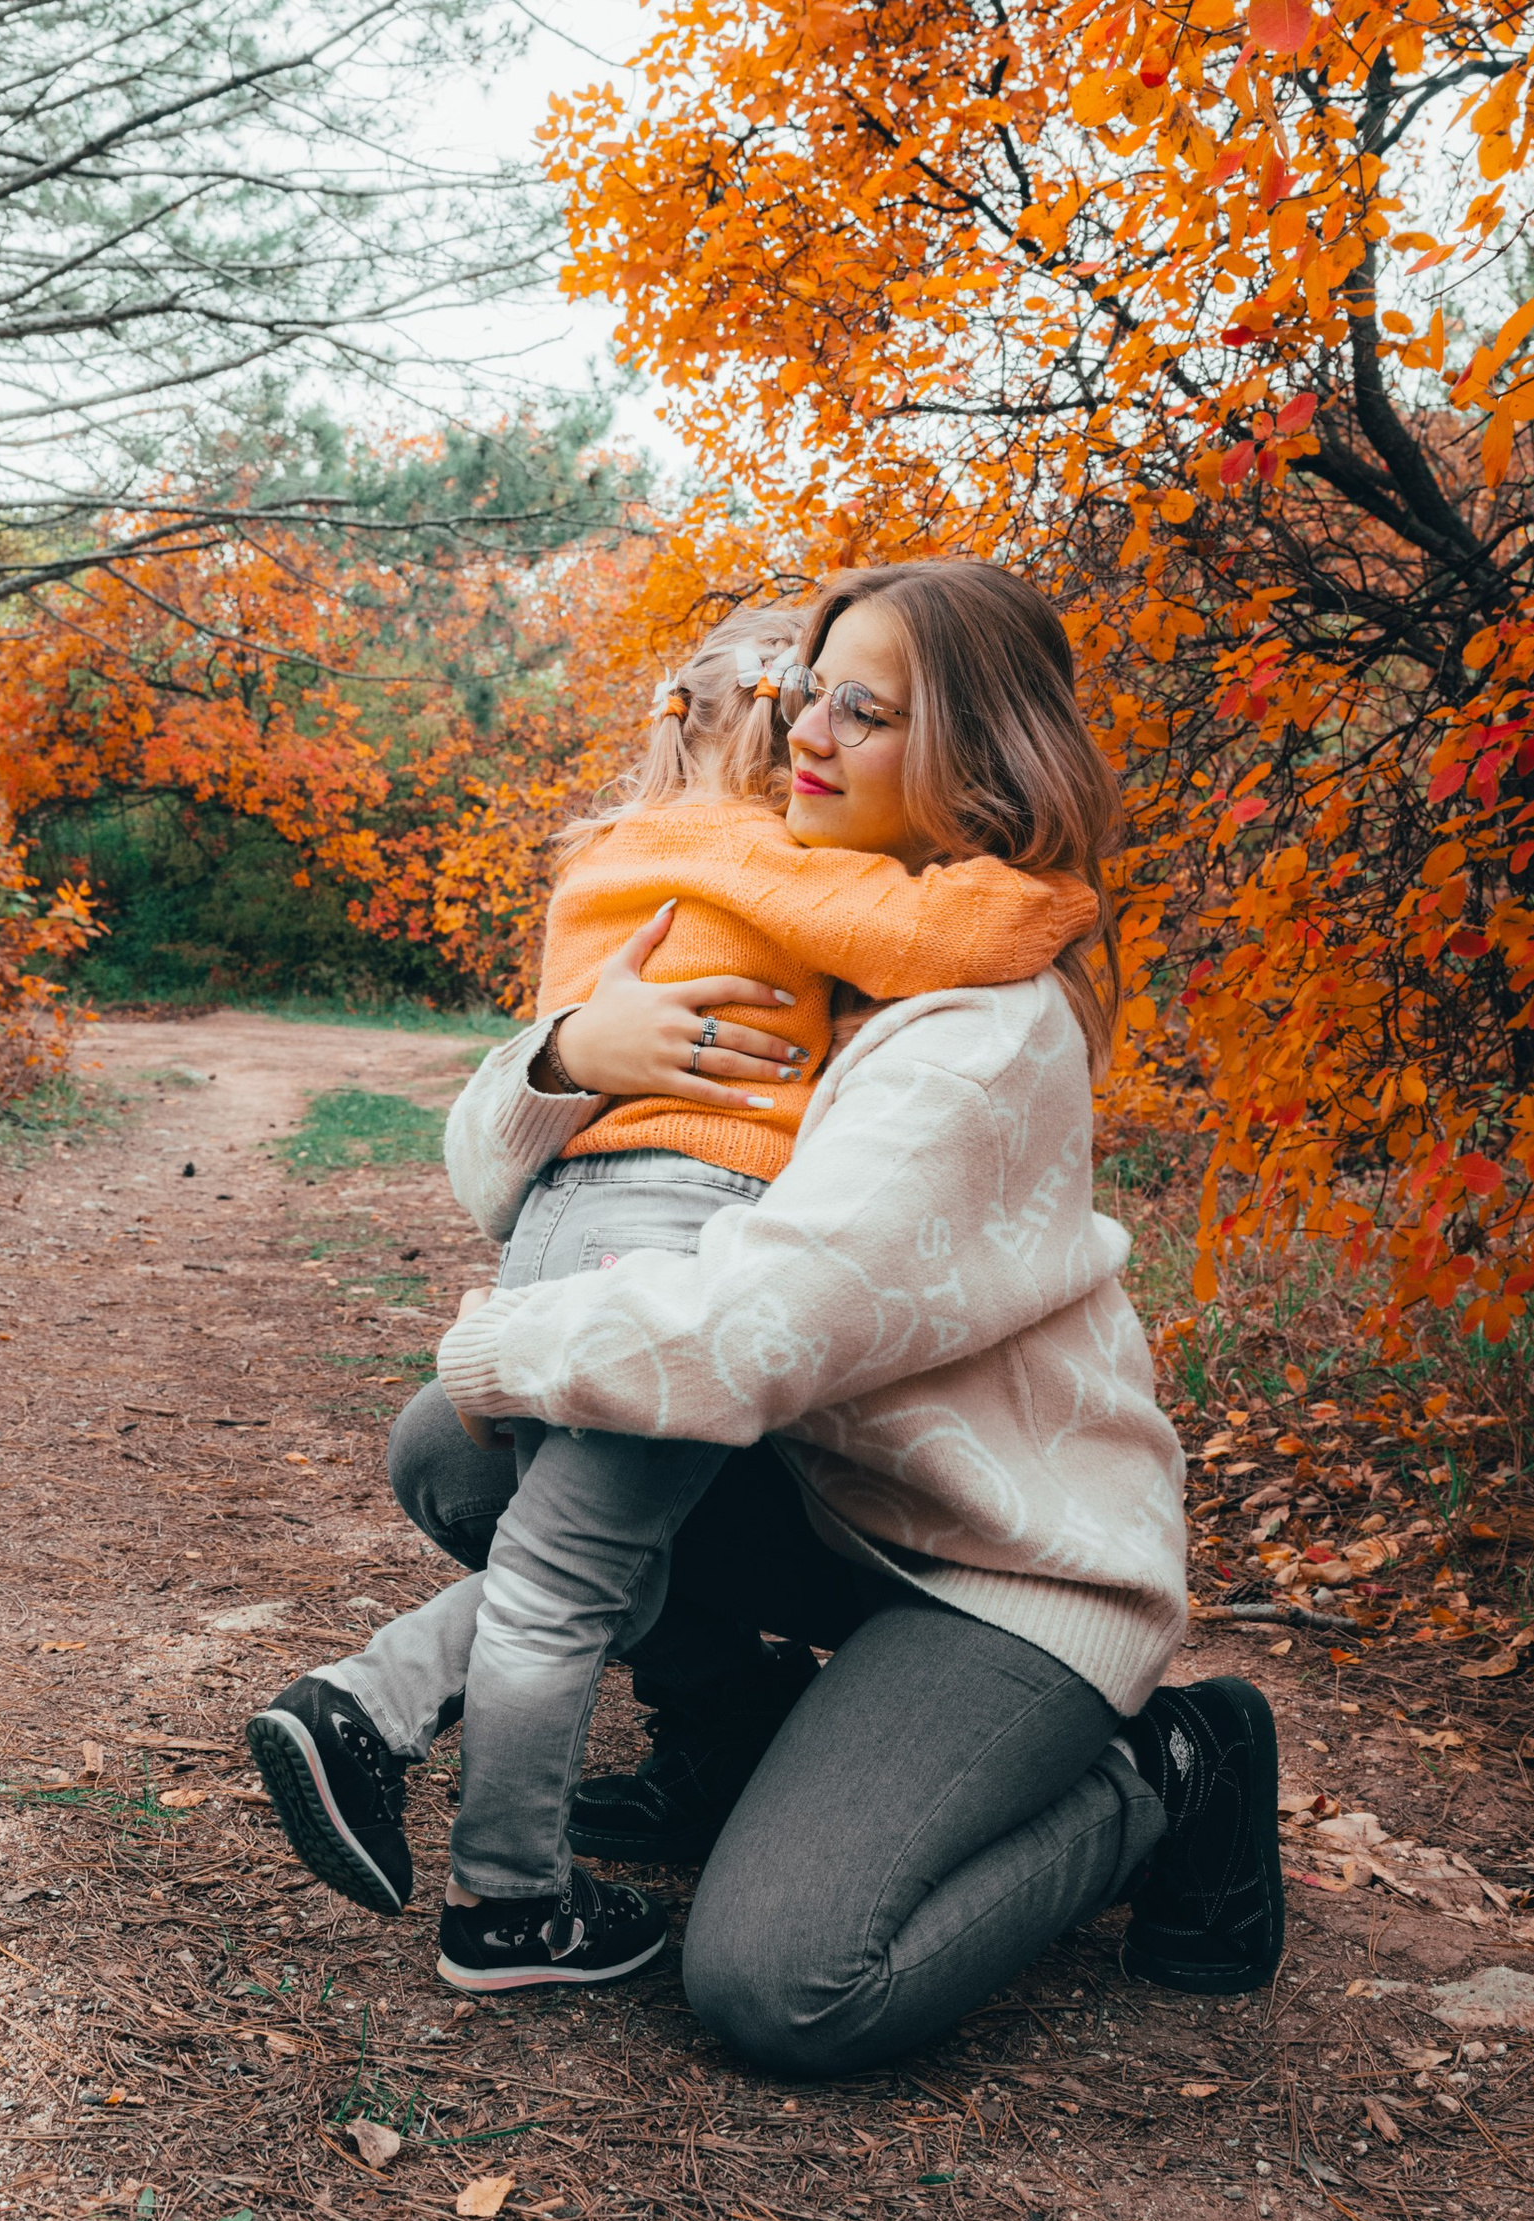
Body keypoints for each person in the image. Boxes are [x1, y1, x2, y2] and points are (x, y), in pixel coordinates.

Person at [292, 558, 1283, 2074]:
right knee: (458, 1452)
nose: (808, 732)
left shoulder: (975, 1024)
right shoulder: (799, 931)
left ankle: (1171, 1771)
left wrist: (496, 1345)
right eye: (809, 690)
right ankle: (730, 1737)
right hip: (827, 1500)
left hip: (1002, 1562)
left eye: (865, 711)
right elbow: (511, 1192)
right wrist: (568, 1057)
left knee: (784, 1981)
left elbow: (755, 1329)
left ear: (971, 753)